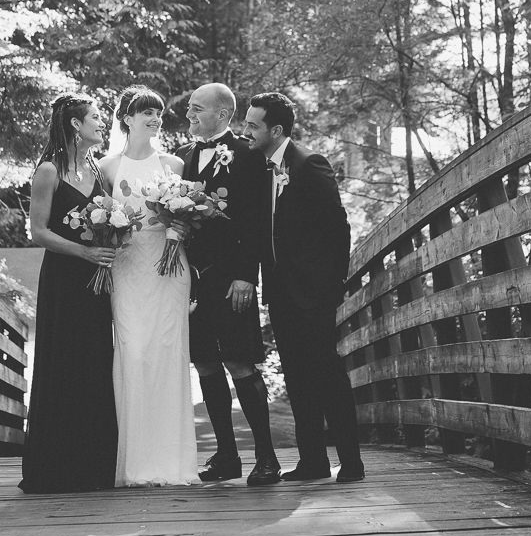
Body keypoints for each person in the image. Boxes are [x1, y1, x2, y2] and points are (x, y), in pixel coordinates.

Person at [242, 91, 364, 484]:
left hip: (314, 293)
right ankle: (312, 460)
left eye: (252, 125)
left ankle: (352, 461)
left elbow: (338, 227)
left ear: (275, 130)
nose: (245, 130)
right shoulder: (261, 168)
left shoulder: (309, 164)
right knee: (295, 375)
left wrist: (331, 286)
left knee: (327, 372)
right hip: (280, 293)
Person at [176, 83, 280, 486]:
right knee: (204, 362)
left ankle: (267, 457)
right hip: (193, 279)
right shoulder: (183, 158)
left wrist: (244, 275)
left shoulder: (246, 155)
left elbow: (256, 220)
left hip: (231, 277)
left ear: (222, 114)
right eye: (189, 109)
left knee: (239, 361)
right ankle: (226, 456)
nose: (189, 116)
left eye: (197, 109)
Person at [97, 85, 196, 486]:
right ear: (126, 118)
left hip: (169, 268)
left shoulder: (174, 163)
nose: (155, 119)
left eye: (157, 113)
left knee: (169, 355)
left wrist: (184, 222)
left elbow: (187, 217)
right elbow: (99, 218)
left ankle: (173, 464)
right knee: (134, 355)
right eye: (146, 113)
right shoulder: (106, 167)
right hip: (127, 267)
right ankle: (134, 463)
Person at [19, 93, 118, 493]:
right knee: (63, 361)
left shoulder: (98, 169)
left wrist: (112, 235)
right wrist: (84, 251)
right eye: (95, 117)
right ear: (75, 124)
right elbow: (37, 231)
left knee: (95, 361)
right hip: (63, 279)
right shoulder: (48, 171)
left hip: (96, 283)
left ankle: (93, 465)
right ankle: (55, 466)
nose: (102, 123)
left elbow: (111, 218)